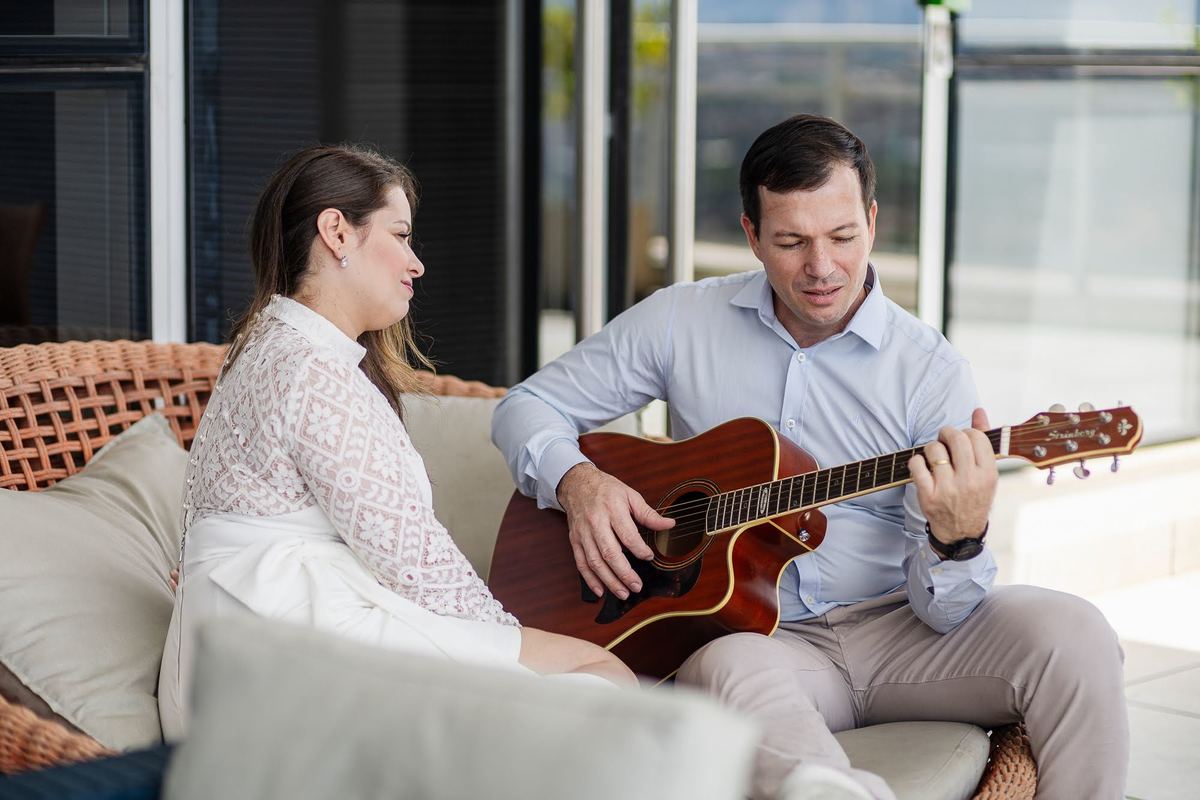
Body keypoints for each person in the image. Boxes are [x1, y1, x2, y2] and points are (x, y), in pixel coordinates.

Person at [492, 114, 1128, 800]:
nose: (821, 268)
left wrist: (959, 538)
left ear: (873, 222)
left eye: (842, 237)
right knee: (729, 665)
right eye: (792, 241)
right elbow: (523, 408)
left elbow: (946, 613)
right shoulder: (682, 321)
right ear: (751, 234)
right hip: (767, 646)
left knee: (1078, 634)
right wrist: (578, 481)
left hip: (902, 630)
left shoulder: (930, 370)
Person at [158, 144, 634, 740]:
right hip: (285, 650)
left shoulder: (261, 348)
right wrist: (504, 639)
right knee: (602, 670)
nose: (416, 264)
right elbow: (417, 565)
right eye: (401, 235)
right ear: (336, 231)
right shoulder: (314, 373)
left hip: (217, 651)